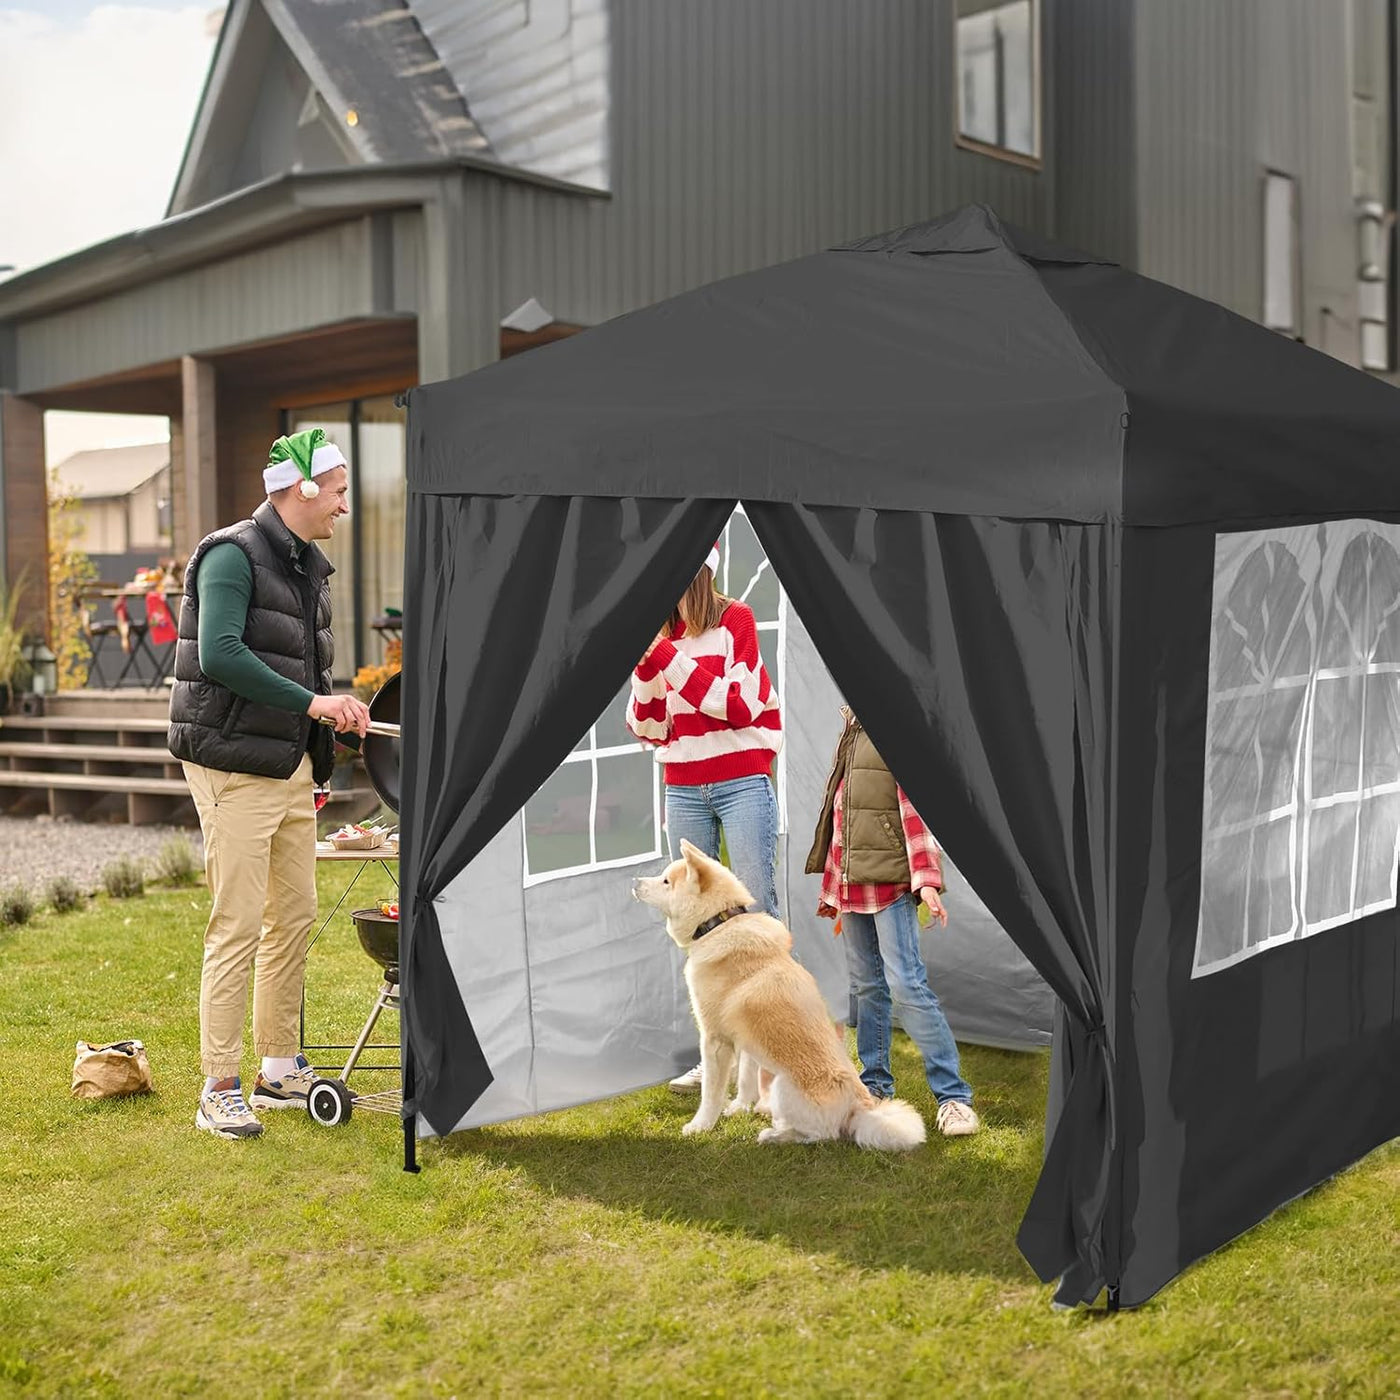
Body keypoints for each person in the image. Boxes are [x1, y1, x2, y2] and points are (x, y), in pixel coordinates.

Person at [169, 428, 371, 1140]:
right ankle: (218, 1086)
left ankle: (278, 1069)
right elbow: (221, 653)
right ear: (303, 489)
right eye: (341, 490)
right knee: (238, 924)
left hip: (289, 766)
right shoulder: (232, 555)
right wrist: (313, 703)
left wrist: (332, 720)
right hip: (231, 762)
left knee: (293, 916)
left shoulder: (307, 569)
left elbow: (303, 674)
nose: (347, 505)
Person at [627, 541, 783, 1093]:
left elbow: (740, 706)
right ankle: (717, 1055)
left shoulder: (735, 619)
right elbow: (645, 726)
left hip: (742, 780)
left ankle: (770, 1061)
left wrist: (667, 658)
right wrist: (648, 662)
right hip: (684, 787)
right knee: (697, 924)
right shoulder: (662, 638)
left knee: (756, 911)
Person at [805, 706, 979, 1136]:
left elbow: (915, 811)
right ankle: (874, 1088)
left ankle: (953, 1097)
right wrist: (834, 889)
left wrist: (926, 881)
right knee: (866, 986)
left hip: (889, 884)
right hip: (852, 887)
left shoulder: (891, 726)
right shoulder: (851, 726)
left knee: (907, 984)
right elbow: (842, 815)